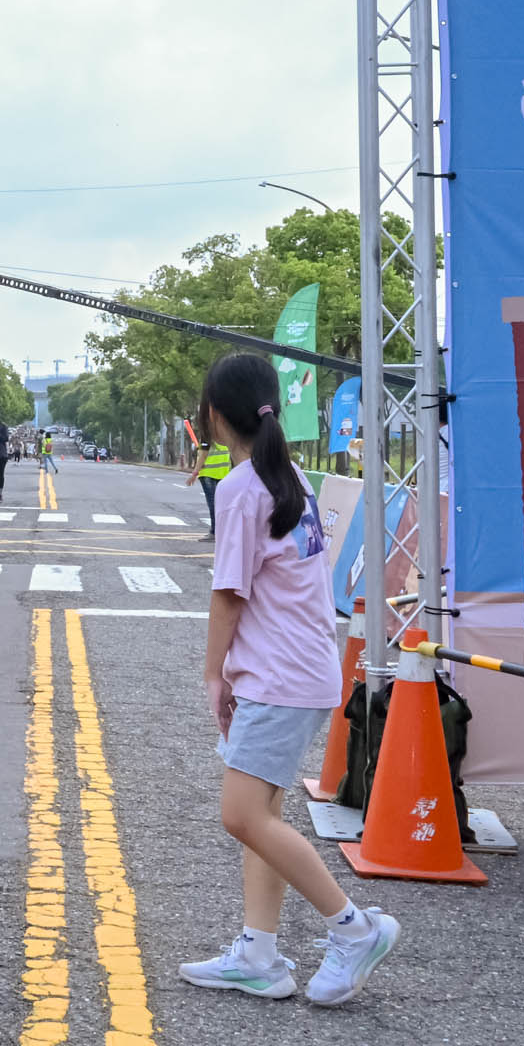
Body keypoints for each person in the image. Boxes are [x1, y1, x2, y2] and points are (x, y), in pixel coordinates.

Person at [178, 352, 401, 1007]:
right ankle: (259, 954)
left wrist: (213, 673)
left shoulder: (241, 488)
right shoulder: (290, 477)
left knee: (242, 815)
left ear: (214, 415)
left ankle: (353, 928)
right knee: (264, 814)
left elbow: (229, 593)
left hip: (279, 677)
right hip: (301, 669)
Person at [195, 434, 234, 535]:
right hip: (224, 473)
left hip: (208, 473)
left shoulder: (207, 434)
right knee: (220, 504)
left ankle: (215, 532)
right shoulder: (228, 433)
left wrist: (194, 473)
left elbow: (203, 456)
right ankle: (221, 531)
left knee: (213, 504)